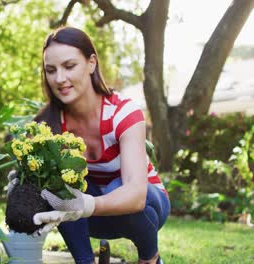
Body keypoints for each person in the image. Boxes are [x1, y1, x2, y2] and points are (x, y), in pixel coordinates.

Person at [16, 26, 170, 264]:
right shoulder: (46, 126)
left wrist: (87, 204)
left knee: (120, 186)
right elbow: (40, 193)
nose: (59, 79)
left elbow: (137, 195)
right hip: (89, 218)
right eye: (51, 70)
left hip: (145, 209)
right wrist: (22, 183)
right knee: (57, 188)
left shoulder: (123, 113)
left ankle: (150, 258)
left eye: (69, 66)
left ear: (91, 63)